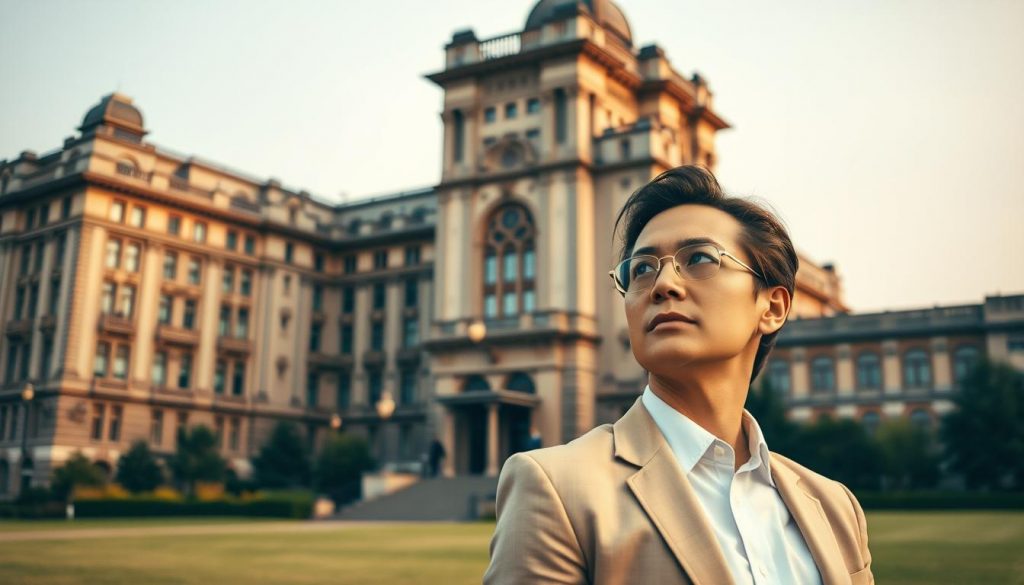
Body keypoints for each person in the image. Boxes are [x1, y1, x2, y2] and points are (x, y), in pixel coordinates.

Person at [484, 166, 873, 585]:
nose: (663, 284)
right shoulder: (558, 489)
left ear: (773, 307)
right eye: (642, 269)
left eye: (699, 259)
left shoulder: (834, 507)